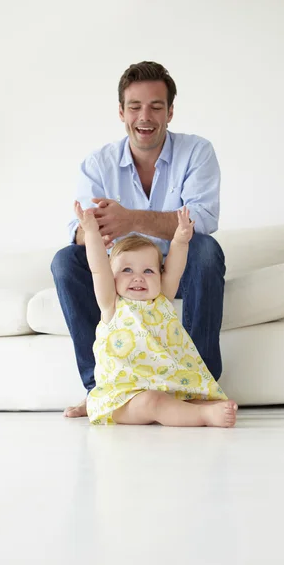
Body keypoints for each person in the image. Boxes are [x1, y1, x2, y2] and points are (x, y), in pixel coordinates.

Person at [51, 61, 226, 418]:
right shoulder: (98, 163)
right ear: (121, 112)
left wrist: (129, 219)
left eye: (156, 106)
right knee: (65, 260)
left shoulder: (197, 152)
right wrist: (92, 228)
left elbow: (202, 220)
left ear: (170, 112)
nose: (144, 116)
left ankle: (198, 388)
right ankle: (100, 389)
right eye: (134, 107)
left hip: (172, 266)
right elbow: (79, 230)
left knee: (207, 250)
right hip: (120, 270)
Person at [76, 201, 237, 427]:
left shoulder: (161, 298)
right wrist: (92, 232)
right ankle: (204, 416)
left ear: (159, 276)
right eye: (127, 270)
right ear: (112, 277)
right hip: (122, 398)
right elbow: (98, 267)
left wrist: (180, 239)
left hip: (164, 386)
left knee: (174, 398)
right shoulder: (111, 305)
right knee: (152, 401)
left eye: (148, 271)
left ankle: (197, 408)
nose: (138, 277)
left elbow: (174, 268)